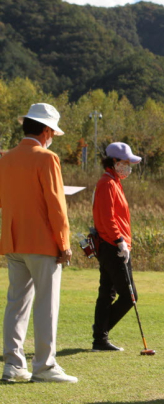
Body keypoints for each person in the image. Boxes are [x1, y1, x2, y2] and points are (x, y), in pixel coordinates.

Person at [0, 103, 78, 383]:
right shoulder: (47, 158)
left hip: (12, 241)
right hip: (42, 242)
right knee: (46, 305)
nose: (53, 137)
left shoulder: (5, 158)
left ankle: (13, 364)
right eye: (53, 132)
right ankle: (44, 366)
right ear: (46, 130)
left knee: (16, 304)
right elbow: (56, 205)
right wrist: (64, 242)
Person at [91, 143, 142, 351]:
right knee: (130, 296)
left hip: (112, 245)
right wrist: (120, 241)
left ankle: (100, 339)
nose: (128, 167)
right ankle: (100, 332)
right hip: (113, 246)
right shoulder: (107, 183)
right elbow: (107, 217)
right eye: (126, 162)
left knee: (107, 294)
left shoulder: (114, 182)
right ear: (114, 161)